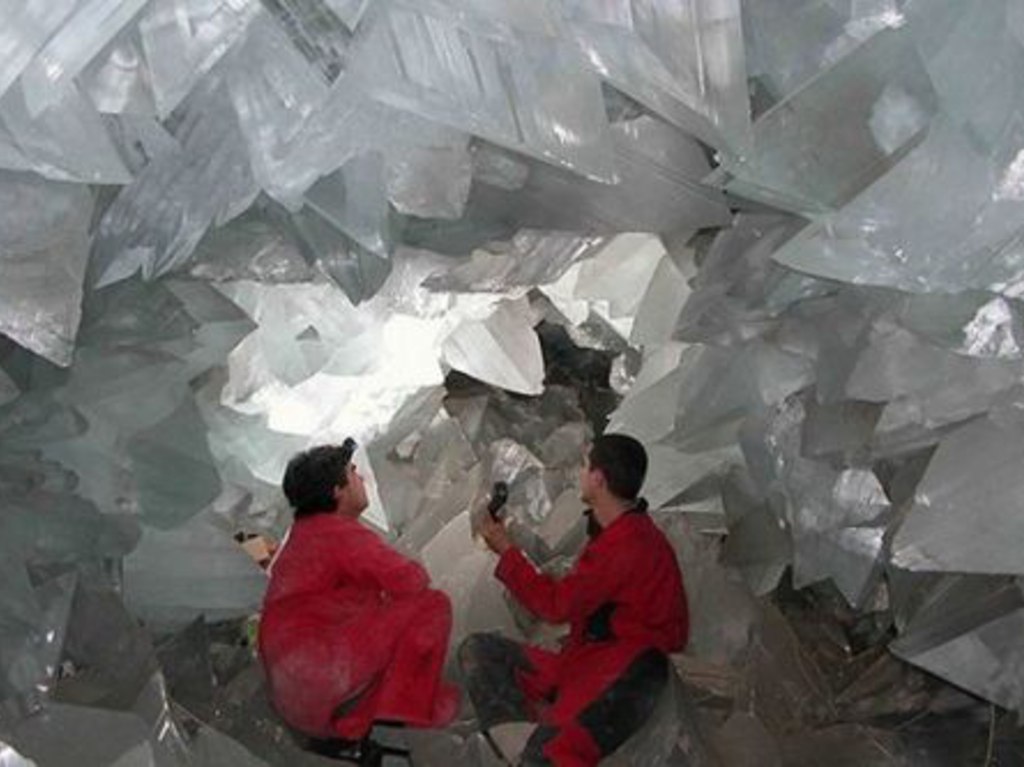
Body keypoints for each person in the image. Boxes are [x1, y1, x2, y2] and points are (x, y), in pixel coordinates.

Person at [460, 434, 689, 767]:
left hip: (623, 674)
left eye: (584, 465)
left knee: (551, 755)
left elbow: (556, 606)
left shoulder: (627, 545)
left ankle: (533, 749)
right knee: (481, 652)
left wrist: (507, 551)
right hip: (583, 663)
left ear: (598, 479)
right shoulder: (624, 534)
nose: (580, 474)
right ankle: (521, 745)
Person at [258, 440, 459, 757]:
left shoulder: (303, 535)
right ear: (337, 491)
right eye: (352, 473)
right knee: (431, 605)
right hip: (325, 686)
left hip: (297, 698)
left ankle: (371, 703)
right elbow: (412, 581)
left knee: (386, 616)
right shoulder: (338, 533)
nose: (361, 479)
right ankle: (401, 713)